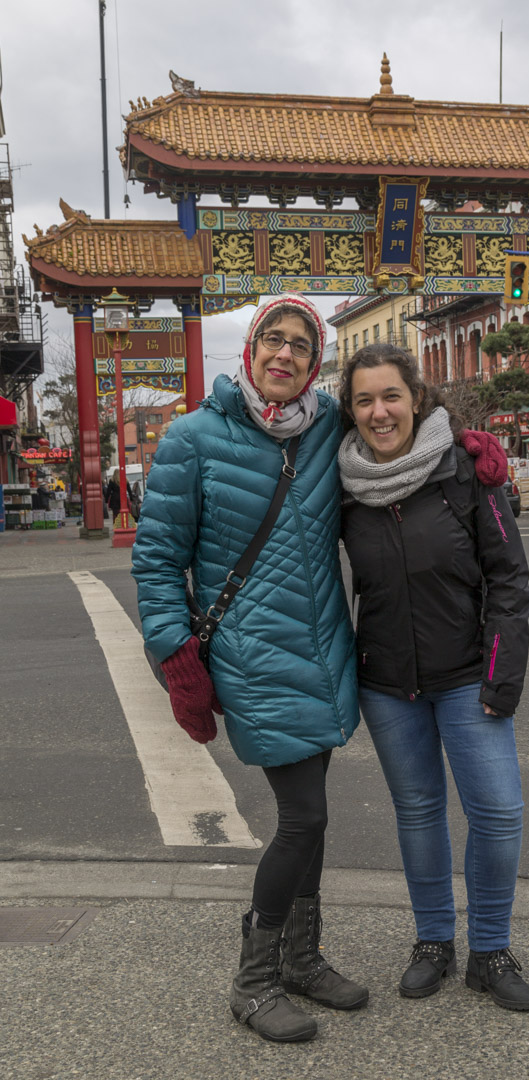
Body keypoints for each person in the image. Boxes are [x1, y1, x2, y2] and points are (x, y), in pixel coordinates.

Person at [132, 295, 368, 1044]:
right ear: (251, 347)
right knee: (304, 817)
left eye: (301, 345)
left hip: (325, 649)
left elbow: (397, 423)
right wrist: (175, 655)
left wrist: (466, 454)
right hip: (251, 653)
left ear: (314, 363)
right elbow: (157, 561)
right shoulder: (193, 438)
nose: (284, 354)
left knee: (314, 817)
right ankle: (254, 980)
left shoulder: (327, 427)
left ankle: (301, 958)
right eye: (274, 338)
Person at [338, 343, 529, 1013]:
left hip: (467, 675)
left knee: (498, 812)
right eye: (364, 400)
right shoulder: (341, 484)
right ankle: (432, 942)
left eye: (390, 395)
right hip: (386, 681)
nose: (379, 411)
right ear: (350, 411)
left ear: (417, 398)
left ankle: (490, 950)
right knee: (419, 813)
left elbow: (509, 578)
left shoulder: (465, 471)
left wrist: (501, 674)